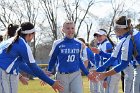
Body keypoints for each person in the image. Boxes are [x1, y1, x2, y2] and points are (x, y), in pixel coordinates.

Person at [0, 22, 63, 93]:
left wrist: (41, 72)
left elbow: (21, 65)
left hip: (4, 72)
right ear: (30, 35)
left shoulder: (13, 41)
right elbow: (33, 67)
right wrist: (52, 83)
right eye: (33, 34)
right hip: (2, 72)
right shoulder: (22, 45)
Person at [93, 16, 140, 93]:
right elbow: (113, 57)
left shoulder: (127, 40)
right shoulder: (133, 33)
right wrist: (99, 70)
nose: (114, 30)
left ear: (119, 28)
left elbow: (123, 64)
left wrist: (105, 74)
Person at [46, 21, 94, 93]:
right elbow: (53, 59)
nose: (70, 30)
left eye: (72, 28)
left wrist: (87, 73)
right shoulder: (57, 43)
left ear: (74, 29)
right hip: (62, 75)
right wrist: (49, 71)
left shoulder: (79, 43)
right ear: (63, 30)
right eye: (68, 28)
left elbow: (79, 61)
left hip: (76, 74)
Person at [93, 29, 120, 93]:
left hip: (110, 71)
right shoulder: (100, 45)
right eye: (97, 36)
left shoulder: (108, 44)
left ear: (105, 36)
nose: (98, 38)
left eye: (100, 36)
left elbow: (111, 60)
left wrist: (105, 78)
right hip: (108, 71)